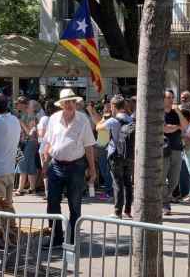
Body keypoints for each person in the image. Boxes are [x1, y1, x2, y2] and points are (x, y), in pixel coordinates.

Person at [42, 89, 96, 247]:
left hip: (76, 166)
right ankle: (56, 238)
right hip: (56, 164)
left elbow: (89, 146)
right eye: (66, 102)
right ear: (61, 104)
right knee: (52, 203)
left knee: (75, 204)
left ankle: (72, 239)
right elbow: (47, 142)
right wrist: (45, 163)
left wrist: (92, 169)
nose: (70, 104)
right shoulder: (53, 119)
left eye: (72, 101)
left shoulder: (83, 120)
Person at [89, 95, 134, 219]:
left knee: (117, 183)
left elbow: (98, 127)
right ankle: (128, 211)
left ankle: (117, 212)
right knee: (128, 183)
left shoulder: (113, 121)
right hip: (129, 155)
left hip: (116, 155)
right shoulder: (130, 120)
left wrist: (104, 117)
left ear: (113, 106)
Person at [163, 90, 185, 216]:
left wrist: (178, 112)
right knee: (162, 178)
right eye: (168, 97)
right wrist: (177, 127)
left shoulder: (176, 113)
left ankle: (164, 199)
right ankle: (165, 204)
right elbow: (165, 128)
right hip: (164, 149)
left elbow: (186, 126)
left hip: (177, 148)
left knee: (174, 180)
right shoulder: (159, 112)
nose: (171, 100)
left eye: (172, 97)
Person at [15, 99, 39, 195]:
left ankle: (20, 189)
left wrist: (21, 123)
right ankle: (32, 188)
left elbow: (30, 133)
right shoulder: (23, 115)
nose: (16, 106)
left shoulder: (32, 117)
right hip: (23, 142)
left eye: (18, 104)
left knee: (23, 163)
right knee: (29, 164)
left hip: (30, 142)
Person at [37, 101, 57, 200]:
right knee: (54, 170)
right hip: (56, 147)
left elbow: (41, 135)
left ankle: (48, 193)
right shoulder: (57, 119)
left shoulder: (44, 119)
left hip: (45, 147)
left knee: (45, 171)